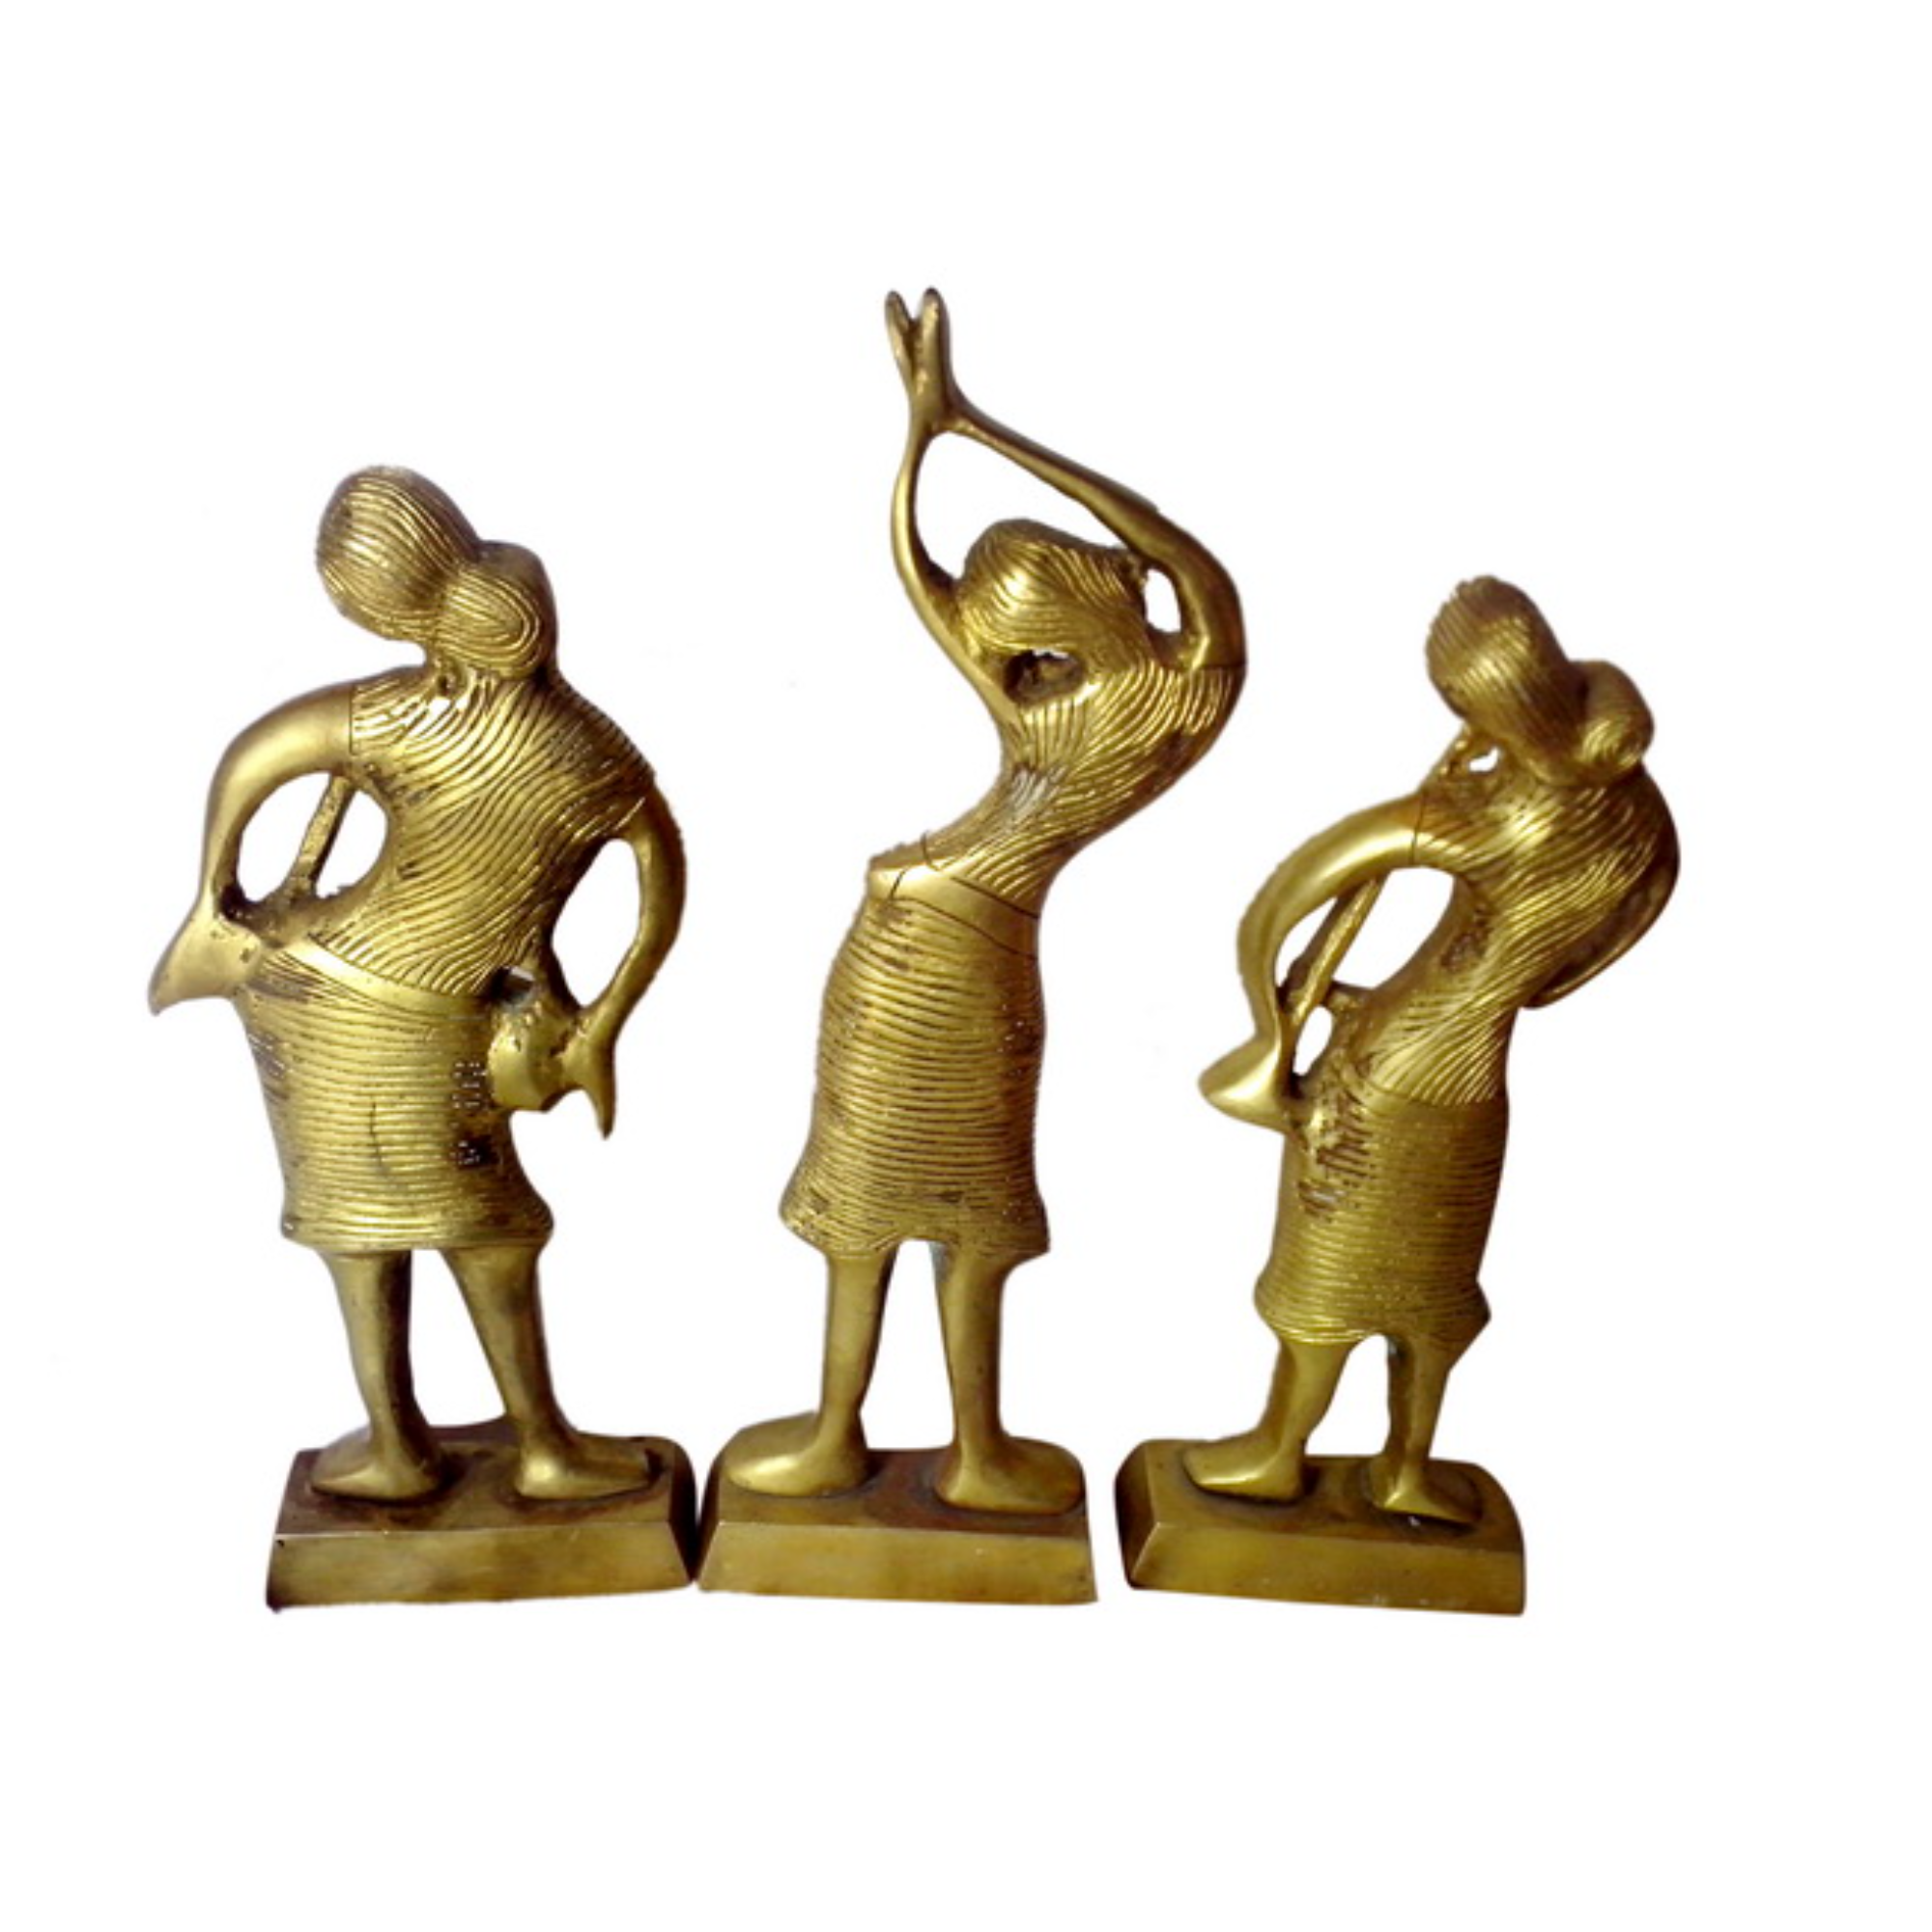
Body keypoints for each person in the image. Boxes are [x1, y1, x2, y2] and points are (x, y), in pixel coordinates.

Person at [725, 292, 1244, 1514]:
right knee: (865, 1200)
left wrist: (969, 425)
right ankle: (845, 1433)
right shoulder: (1053, 691)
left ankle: (972, 1445)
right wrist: (932, 425)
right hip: (904, 949)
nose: (1001, 659)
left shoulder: (1174, 694)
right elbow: (923, 574)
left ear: (1076, 611)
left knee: (965, 1204)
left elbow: (1175, 552)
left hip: (967, 952)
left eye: (1023, 638)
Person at [151, 468, 685, 1503]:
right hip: (395, 1000)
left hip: (325, 989)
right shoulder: (589, 747)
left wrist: (218, 897)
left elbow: (254, 754)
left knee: (409, 1229)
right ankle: (513, 1446)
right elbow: (661, 883)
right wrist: (603, 1017)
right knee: (472, 1229)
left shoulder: (400, 715)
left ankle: (415, 1447)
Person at [1185, 577, 1677, 1521]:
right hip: (1478, 1077)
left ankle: (1276, 1454)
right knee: (1432, 1284)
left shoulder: (1481, 816)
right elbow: (1624, 923)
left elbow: (1279, 903)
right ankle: (1406, 1467)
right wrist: (1507, 985)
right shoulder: (1635, 807)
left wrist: (1269, 1023)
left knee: (1329, 1273)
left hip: (1387, 1072)